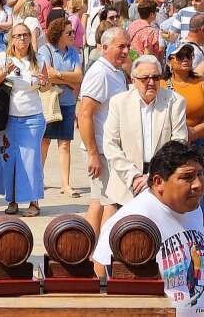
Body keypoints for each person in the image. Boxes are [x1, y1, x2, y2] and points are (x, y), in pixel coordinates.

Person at [91, 141, 204, 315]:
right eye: (187, 177)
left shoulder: (193, 207)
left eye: (200, 174)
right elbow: (100, 278)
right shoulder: (130, 223)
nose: (198, 184)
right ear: (158, 182)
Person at [103, 55, 187, 205]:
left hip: (163, 180)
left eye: (155, 77)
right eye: (144, 78)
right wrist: (133, 176)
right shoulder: (118, 102)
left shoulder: (176, 102)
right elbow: (110, 145)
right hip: (126, 183)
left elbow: (179, 143)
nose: (151, 82)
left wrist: (153, 176)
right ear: (133, 80)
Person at [77, 27, 131, 257]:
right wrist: (93, 153)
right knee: (111, 203)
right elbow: (85, 113)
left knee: (99, 203)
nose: (126, 51)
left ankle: (86, 255)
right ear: (105, 47)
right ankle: (103, 257)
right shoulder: (100, 73)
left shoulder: (115, 71)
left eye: (127, 46)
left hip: (107, 149)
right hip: (101, 149)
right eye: (121, 46)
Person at [0, 22, 52, 217]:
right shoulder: (3, 58)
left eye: (25, 35)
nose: (22, 38)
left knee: (31, 160)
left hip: (32, 117)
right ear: (11, 39)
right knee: (8, 159)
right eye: (18, 35)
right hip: (6, 118)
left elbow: (46, 87)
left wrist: (43, 83)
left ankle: (34, 202)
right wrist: (5, 71)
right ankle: (12, 200)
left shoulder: (38, 60)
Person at [38, 18, 84, 198]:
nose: (73, 35)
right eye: (69, 33)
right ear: (59, 34)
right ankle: (38, 179)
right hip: (51, 101)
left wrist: (59, 76)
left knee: (65, 143)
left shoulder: (74, 52)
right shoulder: (45, 50)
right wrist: (69, 80)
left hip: (67, 102)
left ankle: (65, 183)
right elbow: (46, 74)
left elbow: (79, 76)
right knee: (45, 141)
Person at [165, 43, 204, 146]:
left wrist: (195, 131)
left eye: (189, 56)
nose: (186, 59)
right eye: (180, 56)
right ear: (169, 61)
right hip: (170, 140)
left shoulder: (201, 83)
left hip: (198, 141)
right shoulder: (160, 84)